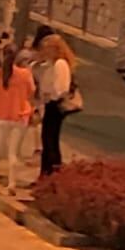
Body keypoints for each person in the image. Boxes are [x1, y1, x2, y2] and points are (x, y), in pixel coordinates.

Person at [0, 34, 37, 189]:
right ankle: (11, 183)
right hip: (19, 116)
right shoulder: (25, 74)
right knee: (13, 152)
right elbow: (32, 92)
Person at [35, 30, 77, 177]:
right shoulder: (51, 64)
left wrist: (49, 95)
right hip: (50, 103)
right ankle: (46, 172)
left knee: (50, 139)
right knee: (47, 139)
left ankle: (52, 172)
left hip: (55, 105)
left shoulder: (60, 64)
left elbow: (61, 88)